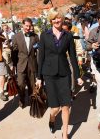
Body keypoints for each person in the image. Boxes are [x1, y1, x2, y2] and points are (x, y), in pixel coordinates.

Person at [36, 7, 84, 139]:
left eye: (59, 18)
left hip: (64, 74)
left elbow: (73, 57)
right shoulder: (44, 36)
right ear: (51, 20)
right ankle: (52, 118)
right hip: (49, 74)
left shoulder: (68, 36)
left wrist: (78, 76)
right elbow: (41, 58)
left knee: (66, 105)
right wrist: (38, 77)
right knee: (55, 108)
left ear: (62, 19)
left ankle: (65, 134)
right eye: (54, 18)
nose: (57, 20)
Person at [11, 17, 39, 108]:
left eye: (29, 26)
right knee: (21, 84)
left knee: (32, 85)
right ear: (22, 25)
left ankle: (32, 101)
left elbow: (38, 51)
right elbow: (14, 52)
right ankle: (22, 98)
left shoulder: (35, 36)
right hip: (20, 64)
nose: (28, 28)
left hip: (32, 64)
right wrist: (14, 66)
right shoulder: (16, 36)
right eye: (26, 26)